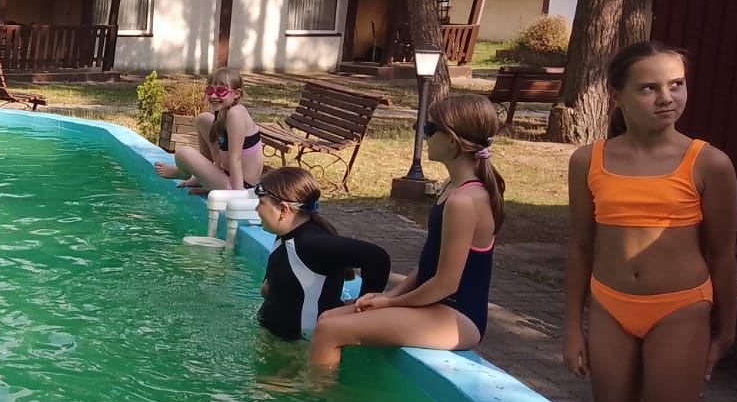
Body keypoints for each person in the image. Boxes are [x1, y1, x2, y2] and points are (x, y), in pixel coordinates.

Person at [562, 41, 737, 402]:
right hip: (610, 306)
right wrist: (572, 328)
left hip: (680, 310)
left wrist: (725, 333)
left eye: (676, 84)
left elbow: (722, 255)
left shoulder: (709, 163)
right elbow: (581, 247)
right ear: (617, 96)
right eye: (649, 88)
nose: (666, 98)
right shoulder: (588, 160)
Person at [309, 94, 505, 369]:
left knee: (330, 331)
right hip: (436, 305)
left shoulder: (464, 201)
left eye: (429, 129)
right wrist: (388, 297)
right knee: (328, 318)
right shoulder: (452, 187)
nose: (423, 136)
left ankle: (317, 396)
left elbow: (446, 284)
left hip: (457, 317)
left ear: (452, 141)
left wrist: (392, 304)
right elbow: (429, 264)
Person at [255, 166, 392, 340]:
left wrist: (363, 308)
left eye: (261, 203)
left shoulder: (311, 243)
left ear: (283, 210)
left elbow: (377, 258)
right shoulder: (285, 234)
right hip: (277, 337)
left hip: (301, 347)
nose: (257, 209)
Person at [154, 67, 264, 192]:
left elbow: (236, 158)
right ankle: (203, 178)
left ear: (237, 94)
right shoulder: (223, 111)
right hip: (227, 174)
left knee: (183, 153)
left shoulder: (236, 114)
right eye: (210, 90)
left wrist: (237, 196)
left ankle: (182, 173)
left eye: (221, 91)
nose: (213, 95)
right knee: (203, 119)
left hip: (241, 186)